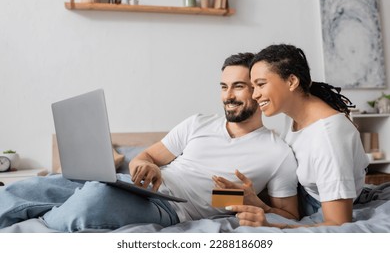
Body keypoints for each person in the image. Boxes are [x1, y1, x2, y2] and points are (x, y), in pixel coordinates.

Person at [0, 52, 298, 232]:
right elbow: (146, 157)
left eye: (239, 87)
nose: (228, 95)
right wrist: (147, 166)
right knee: (29, 187)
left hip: (172, 209)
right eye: (223, 86)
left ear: (257, 90)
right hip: (133, 185)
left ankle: (43, 219)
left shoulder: (276, 152)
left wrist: (254, 203)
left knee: (92, 199)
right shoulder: (199, 122)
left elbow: (290, 215)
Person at [226, 44, 369, 229]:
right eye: (253, 87)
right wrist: (259, 202)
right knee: (219, 194)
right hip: (297, 193)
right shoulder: (294, 115)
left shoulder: (328, 137)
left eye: (261, 84)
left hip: (316, 205)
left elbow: (337, 223)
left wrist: (273, 226)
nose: (254, 95)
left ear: (292, 81)